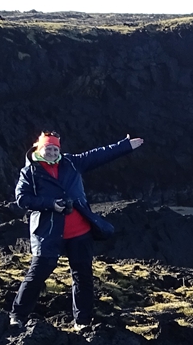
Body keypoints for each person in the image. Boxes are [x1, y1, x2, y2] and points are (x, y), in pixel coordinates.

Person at [10, 131, 144, 330]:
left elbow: (98, 155)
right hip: (48, 232)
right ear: (39, 148)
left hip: (80, 231)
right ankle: (17, 316)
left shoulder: (71, 163)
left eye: (55, 149)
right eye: (48, 148)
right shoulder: (29, 172)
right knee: (37, 274)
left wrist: (125, 146)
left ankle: (82, 322)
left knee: (82, 276)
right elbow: (22, 199)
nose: (52, 152)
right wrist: (50, 204)